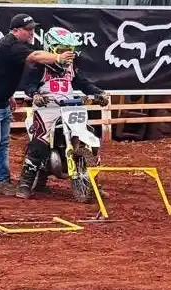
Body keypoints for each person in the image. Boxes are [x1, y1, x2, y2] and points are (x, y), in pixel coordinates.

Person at [16, 27, 109, 199]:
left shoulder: (71, 68)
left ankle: (92, 183)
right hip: (47, 108)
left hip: (70, 107)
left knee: (88, 135)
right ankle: (25, 183)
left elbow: (84, 83)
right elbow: (28, 85)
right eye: (62, 50)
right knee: (40, 142)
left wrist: (98, 92)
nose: (67, 54)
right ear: (51, 49)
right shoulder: (40, 66)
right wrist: (35, 95)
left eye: (70, 51)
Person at [0, 14, 76, 196]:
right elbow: (35, 56)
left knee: (2, 144)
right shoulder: (12, 45)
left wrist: (8, 94)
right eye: (28, 29)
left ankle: (2, 181)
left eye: (33, 29)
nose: (32, 33)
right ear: (16, 31)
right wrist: (58, 58)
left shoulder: (17, 45)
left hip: (1, 101)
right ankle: (2, 180)